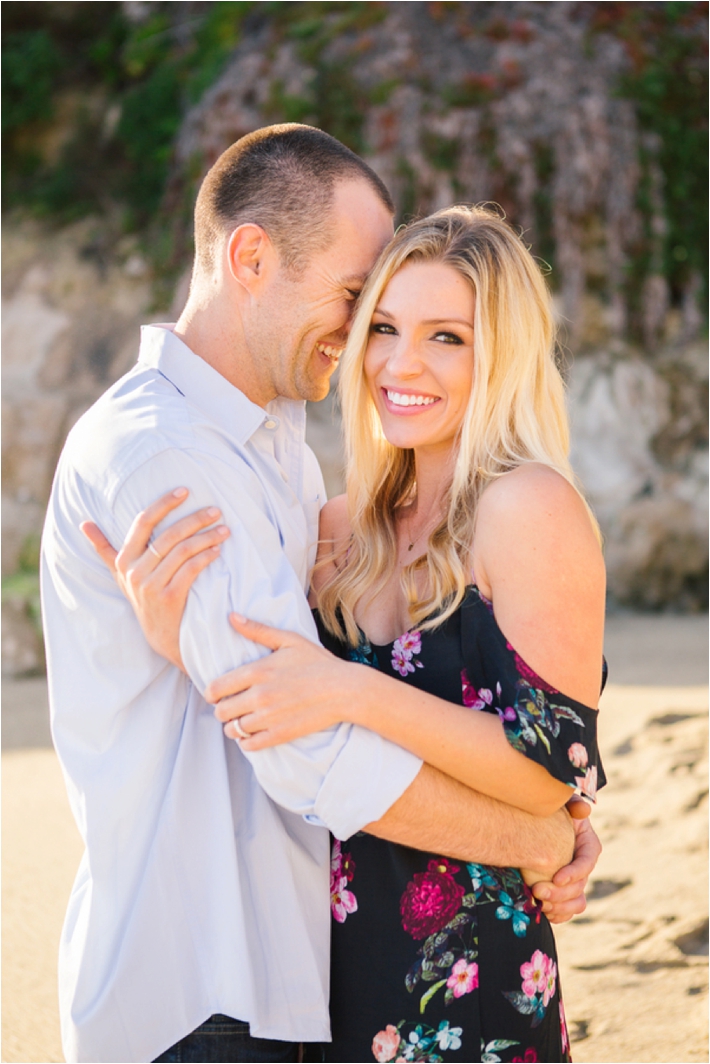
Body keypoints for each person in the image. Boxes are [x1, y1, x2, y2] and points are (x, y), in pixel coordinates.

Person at [42, 125, 598, 1064]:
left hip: (324, 983)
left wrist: (214, 663)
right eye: (364, 306)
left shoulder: (289, 467)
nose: (374, 346)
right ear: (251, 258)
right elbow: (307, 748)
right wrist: (535, 840)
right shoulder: (165, 454)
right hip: (199, 983)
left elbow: (525, 744)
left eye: (441, 335)